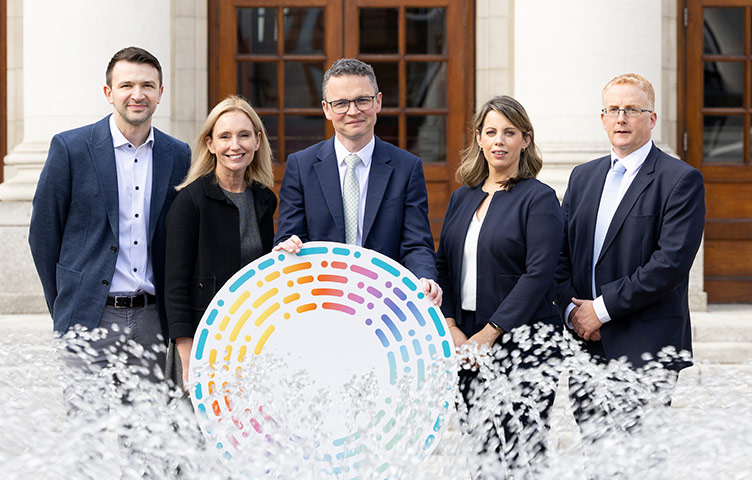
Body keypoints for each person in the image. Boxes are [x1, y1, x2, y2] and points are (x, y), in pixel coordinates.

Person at [555, 73, 705, 468]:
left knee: (641, 464)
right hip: (587, 345)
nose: (621, 119)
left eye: (632, 110)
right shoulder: (583, 177)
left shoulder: (680, 180)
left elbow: (669, 264)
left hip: (645, 344)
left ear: (652, 119)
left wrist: (600, 310)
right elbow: (561, 254)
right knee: (597, 458)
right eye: (613, 110)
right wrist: (573, 312)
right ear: (602, 118)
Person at [29, 46, 191, 383]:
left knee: (146, 431)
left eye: (147, 86)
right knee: (87, 432)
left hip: (152, 321)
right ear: (109, 93)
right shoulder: (71, 149)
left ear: (160, 93)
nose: (137, 95)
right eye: (126, 85)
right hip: (89, 316)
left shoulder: (177, 155)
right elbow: (43, 235)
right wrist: (65, 302)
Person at [436, 95, 564, 476]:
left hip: (525, 343)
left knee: (520, 452)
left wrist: (488, 335)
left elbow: (539, 275)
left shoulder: (539, 198)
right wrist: (453, 327)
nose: (499, 141)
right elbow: (443, 264)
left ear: (525, 139)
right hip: (468, 343)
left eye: (509, 132)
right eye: (491, 132)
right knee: (481, 449)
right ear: (478, 138)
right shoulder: (462, 197)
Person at [273, 58, 441, 304]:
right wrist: (286, 247)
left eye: (362, 100)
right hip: (320, 301)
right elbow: (289, 238)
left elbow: (416, 243)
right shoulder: (301, 166)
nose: (353, 111)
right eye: (341, 103)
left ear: (378, 102)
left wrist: (425, 277)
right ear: (326, 109)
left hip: (386, 301)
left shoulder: (407, 167)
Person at [164, 95, 276, 388]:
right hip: (202, 343)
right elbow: (174, 286)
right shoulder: (190, 201)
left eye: (244, 135)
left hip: (251, 340)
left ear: (257, 140)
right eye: (224, 136)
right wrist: (187, 358)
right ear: (210, 144)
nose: (235, 145)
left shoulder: (264, 199)